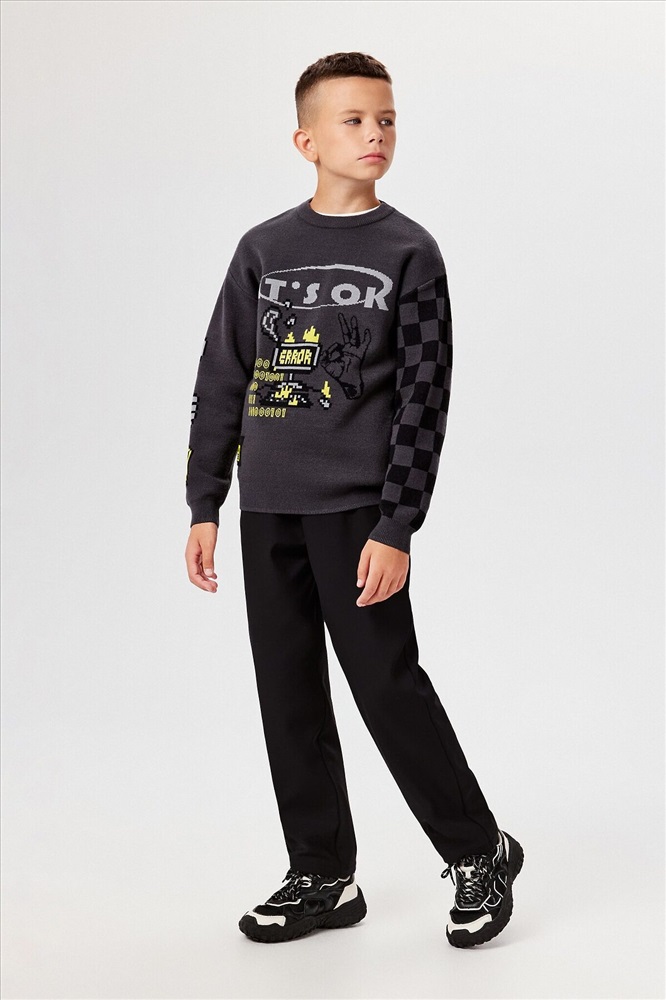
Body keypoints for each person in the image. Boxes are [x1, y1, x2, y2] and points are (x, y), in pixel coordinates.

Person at [184, 51, 523, 948]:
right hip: (269, 509)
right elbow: (222, 375)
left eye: (386, 120)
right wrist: (205, 500)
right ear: (306, 141)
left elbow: (423, 398)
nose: (375, 134)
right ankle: (322, 873)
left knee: (385, 684)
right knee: (287, 689)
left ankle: (478, 849)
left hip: (357, 515)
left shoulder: (410, 251)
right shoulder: (263, 249)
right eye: (354, 120)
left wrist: (397, 522)